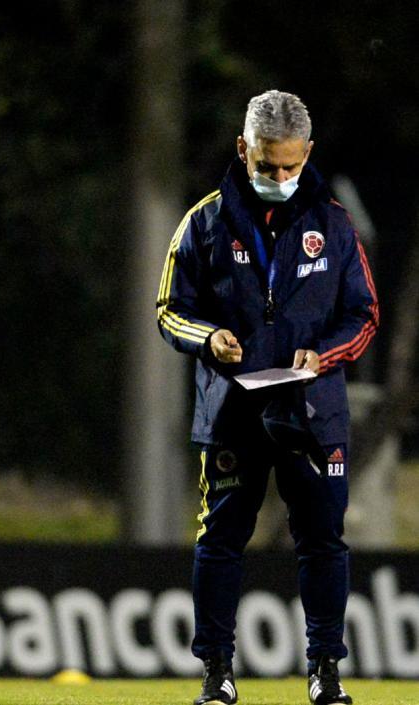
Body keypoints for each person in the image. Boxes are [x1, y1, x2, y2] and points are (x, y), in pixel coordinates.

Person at [157, 90, 378, 705]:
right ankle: (216, 674)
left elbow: (363, 316)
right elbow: (170, 310)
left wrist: (322, 357)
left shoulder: (334, 225)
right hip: (233, 410)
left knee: (323, 540)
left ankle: (325, 674)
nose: (278, 178)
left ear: (307, 153)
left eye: (289, 166)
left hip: (313, 411)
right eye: (265, 165)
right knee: (221, 538)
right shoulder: (203, 222)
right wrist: (209, 339)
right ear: (242, 149)